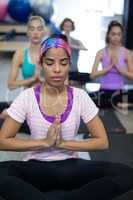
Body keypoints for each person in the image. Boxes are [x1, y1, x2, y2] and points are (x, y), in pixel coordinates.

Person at [0, 34, 133, 200]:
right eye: (50, 63)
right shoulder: (27, 97)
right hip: (36, 167)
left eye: (63, 63)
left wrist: (64, 143)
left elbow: (102, 142)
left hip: (72, 167)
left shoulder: (80, 96)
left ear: (69, 64)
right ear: (41, 64)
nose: (57, 69)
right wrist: (43, 142)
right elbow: (3, 140)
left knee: (124, 174)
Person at [0, 15, 47, 119]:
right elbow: (11, 85)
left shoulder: (50, 54)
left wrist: (42, 79)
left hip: (48, 98)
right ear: (27, 32)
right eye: (32, 29)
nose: (35, 32)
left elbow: (62, 83)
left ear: (43, 32)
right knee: (3, 113)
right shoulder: (20, 54)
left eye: (39, 29)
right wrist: (33, 79)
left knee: (6, 114)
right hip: (28, 97)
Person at [90, 20, 133, 108]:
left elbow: (132, 77)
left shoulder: (126, 52)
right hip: (104, 91)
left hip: (119, 92)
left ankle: (115, 103)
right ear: (108, 35)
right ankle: (117, 104)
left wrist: (118, 68)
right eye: (113, 34)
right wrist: (109, 68)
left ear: (121, 36)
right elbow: (92, 75)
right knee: (86, 98)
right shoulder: (101, 52)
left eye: (119, 34)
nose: (116, 37)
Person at [60, 18, 87, 85]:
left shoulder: (76, 41)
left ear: (72, 27)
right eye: (66, 26)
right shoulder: (58, 40)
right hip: (60, 71)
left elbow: (84, 48)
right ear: (63, 27)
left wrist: (71, 46)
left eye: (69, 26)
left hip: (73, 71)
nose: (67, 28)